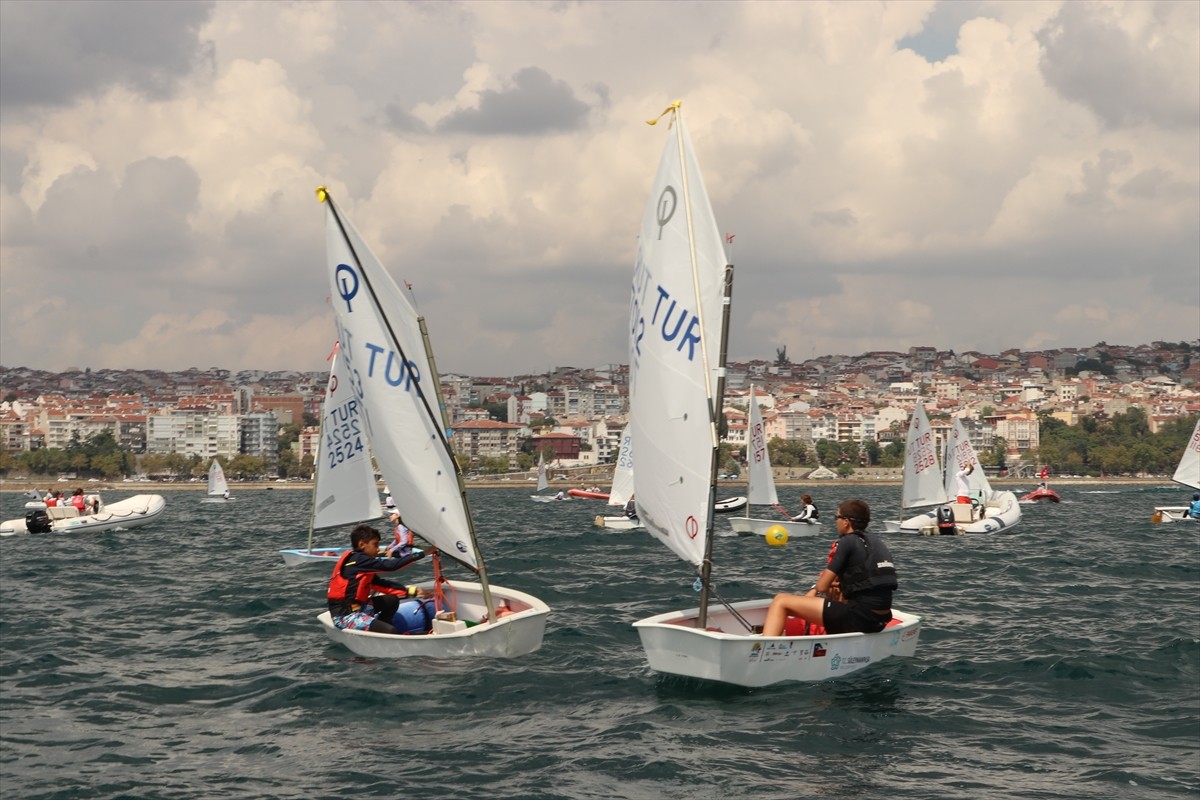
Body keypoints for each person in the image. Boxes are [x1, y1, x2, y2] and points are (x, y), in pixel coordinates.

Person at [761, 499, 897, 637]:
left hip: (859, 618)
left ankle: (764, 650)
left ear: (846, 522)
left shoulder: (847, 542)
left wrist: (813, 591)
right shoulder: (876, 542)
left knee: (780, 601)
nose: (835, 522)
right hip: (880, 619)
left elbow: (822, 587)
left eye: (836, 517)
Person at [327, 524, 429, 634]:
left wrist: (412, 591)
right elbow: (391, 566)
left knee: (392, 600)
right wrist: (424, 553)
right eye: (375, 545)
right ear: (362, 544)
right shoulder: (359, 560)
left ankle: (379, 630)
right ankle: (385, 633)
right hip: (345, 616)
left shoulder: (362, 565)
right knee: (391, 630)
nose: (377, 549)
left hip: (360, 607)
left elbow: (382, 585)